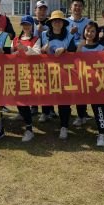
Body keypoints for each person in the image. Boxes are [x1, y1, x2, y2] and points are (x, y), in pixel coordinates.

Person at [40, 10, 78, 140]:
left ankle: (64, 126)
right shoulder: (44, 35)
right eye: (54, 21)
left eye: (59, 21)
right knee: (46, 94)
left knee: (64, 100)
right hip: (48, 72)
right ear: (50, 23)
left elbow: (74, 52)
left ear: (63, 23)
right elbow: (38, 52)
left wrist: (65, 49)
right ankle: (45, 112)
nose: (57, 22)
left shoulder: (69, 36)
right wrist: (42, 50)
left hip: (65, 73)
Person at [76, 21, 104, 147]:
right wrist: (79, 47)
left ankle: (101, 134)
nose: (89, 33)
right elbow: (74, 61)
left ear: (96, 33)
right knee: (80, 104)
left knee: (99, 109)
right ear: (84, 31)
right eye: (87, 30)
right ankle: (81, 118)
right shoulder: (79, 45)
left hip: (97, 84)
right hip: (83, 83)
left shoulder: (101, 48)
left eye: (92, 31)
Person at [11, 15, 41, 143]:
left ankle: (29, 129)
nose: (26, 26)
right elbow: (9, 53)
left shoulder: (36, 39)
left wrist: (26, 49)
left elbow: (38, 53)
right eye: (24, 24)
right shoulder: (15, 39)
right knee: (18, 98)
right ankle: (22, 115)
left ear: (32, 26)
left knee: (24, 100)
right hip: (16, 73)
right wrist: (14, 53)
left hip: (30, 74)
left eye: (28, 24)